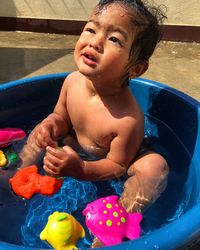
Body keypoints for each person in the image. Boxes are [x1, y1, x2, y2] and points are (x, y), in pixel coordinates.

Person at [20, 0, 169, 246]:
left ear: (136, 68)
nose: (95, 42)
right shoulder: (71, 82)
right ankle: (15, 175)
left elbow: (117, 166)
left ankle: (116, 225)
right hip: (75, 150)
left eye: (114, 39)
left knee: (155, 167)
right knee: (41, 128)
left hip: (113, 164)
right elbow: (61, 117)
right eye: (91, 29)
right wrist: (52, 126)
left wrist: (81, 170)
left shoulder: (128, 118)